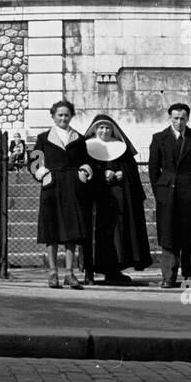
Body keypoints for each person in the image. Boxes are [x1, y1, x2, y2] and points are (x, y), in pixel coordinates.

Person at [80, 114, 152, 284]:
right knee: (93, 235)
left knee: (118, 237)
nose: (104, 131)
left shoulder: (121, 148)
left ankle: (114, 271)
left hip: (118, 202)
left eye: (108, 128)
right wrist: (101, 174)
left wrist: (122, 173)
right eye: (101, 127)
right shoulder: (86, 148)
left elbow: (131, 171)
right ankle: (89, 270)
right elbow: (82, 170)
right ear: (94, 130)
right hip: (96, 200)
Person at [30, 100, 92, 288]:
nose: (63, 118)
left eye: (67, 115)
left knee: (71, 232)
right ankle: (52, 273)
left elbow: (86, 161)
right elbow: (34, 163)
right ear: (53, 116)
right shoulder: (43, 138)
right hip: (52, 185)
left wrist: (84, 171)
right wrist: (43, 174)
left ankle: (69, 273)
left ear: (71, 116)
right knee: (52, 230)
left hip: (73, 187)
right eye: (60, 115)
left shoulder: (79, 139)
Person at [148, 103, 191, 287]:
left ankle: (189, 275)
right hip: (168, 193)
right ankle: (168, 277)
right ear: (170, 118)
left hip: (189, 193)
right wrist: (159, 192)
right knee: (168, 236)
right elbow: (153, 169)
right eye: (176, 118)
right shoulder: (159, 138)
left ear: (188, 119)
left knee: (190, 236)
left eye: (183, 118)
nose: (179, 122)